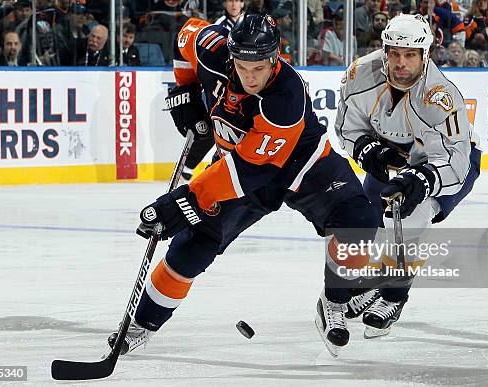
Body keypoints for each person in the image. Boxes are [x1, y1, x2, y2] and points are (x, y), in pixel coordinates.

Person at [108, 12, 381, 357]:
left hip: (303, 163)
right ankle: (141, 324)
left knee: (359, 223)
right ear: (231, 56)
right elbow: (186, 34)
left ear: (274, 58)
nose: (250, 77)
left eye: (259, 68)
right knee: (193, 245)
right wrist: (185, 90)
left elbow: (249, 171)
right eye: (242, 67)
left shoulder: (286, 96)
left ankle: (334, 301)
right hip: (237, 161)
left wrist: (184, 199)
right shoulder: (212, 49)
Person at [335, 13, 481, 337]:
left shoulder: (441, 96)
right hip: (396, 156)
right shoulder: (362, 74)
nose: (401, 63)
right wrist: (367, 148)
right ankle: (374, 281)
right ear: (385, 50)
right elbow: (346, 126)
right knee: (368, 218)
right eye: (394, 53)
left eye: (410, 55)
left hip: (448, 161)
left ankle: (393, 296)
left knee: (409, 215)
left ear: (425, 55)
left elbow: (456, 161)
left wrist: (424, 180)